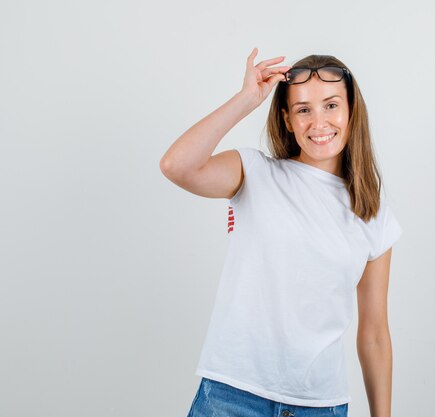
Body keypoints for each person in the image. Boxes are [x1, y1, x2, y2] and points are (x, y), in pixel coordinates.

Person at [160, 47, 403, 417]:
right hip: (231, 397)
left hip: (320, 406)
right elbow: (177, 166)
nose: (318, 121)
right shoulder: (255, 173)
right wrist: (246, 100)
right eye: (304, 109)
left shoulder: (372, 213)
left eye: (331, 105)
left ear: (352, 112)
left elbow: (374, 334)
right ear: (288, 120)